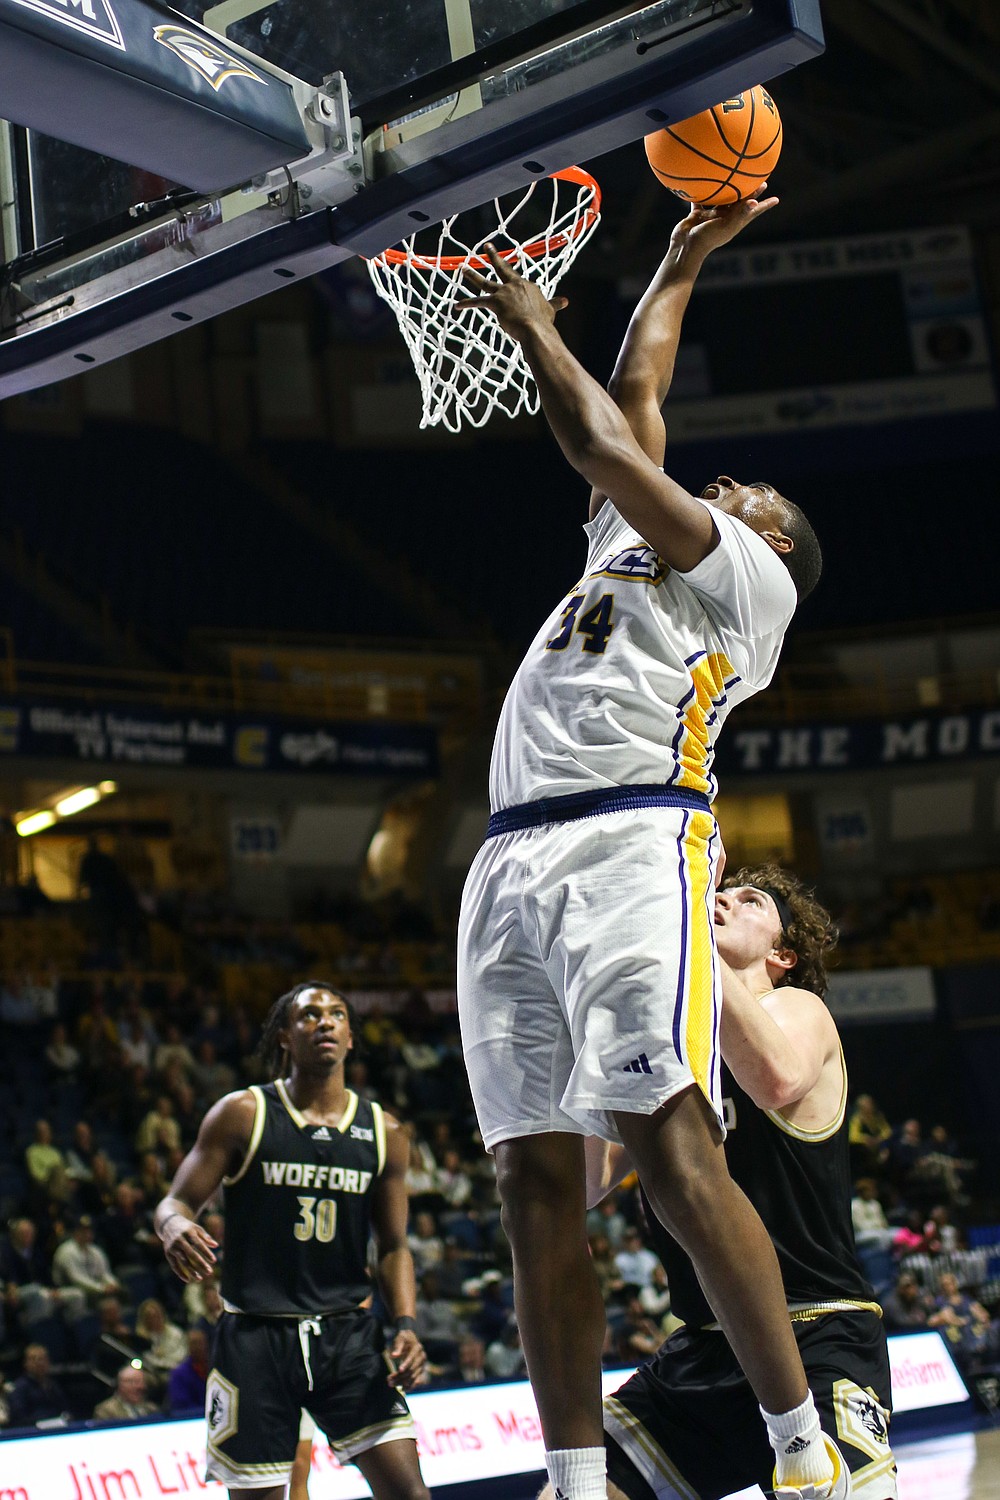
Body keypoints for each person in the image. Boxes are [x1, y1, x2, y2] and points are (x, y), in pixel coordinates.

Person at [456, 196, 832, 1500]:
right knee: (528, 1181)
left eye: (748, 492)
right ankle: (571, 1480)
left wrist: (527, 322)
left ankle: (802, 1446)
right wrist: (678, 261)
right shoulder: (637, 538)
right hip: (509, 854)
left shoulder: (751, 581)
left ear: (768, 538)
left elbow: (611, 447)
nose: (725, 485)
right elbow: (635, 394)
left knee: (668, 1146)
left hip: (633, 835)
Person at [541, 864, 896, 1500]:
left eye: (748, 899)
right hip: (705, 1348)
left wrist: (685, 936)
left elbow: (776, 1080)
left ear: (784, 953)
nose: (720, 900)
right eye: (714, 894)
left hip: (816, 1331)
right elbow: (588, 1183)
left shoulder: (798, 1009)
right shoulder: (667, 1048)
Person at [153, 979, 431, 1500]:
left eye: (336, 1014)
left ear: (350, 1036)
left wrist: (407, 1325)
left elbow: (394, 1246)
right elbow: (175, 1201)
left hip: (347, 1335)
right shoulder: (243, 1114)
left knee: (410, 1493)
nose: (324, 1021)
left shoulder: (385, 1132)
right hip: (256, 1337)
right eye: (308, 1015)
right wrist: (174, 1226)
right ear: (284, 1035)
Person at [6, 1343, 70, 1428]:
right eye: (34, 1359)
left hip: (56, 1429)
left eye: (43, 1359)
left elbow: (64, 1408)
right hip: (31, 1433)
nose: (39, 1363)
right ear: (26, 1363)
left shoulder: (53, 1385)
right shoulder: (19, 1388)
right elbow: (18, 1418)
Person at [93, 1364, 158, 1421]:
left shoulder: (152, 1409)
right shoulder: (106, 1410)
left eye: (142, 1382)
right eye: (134, 1382)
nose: (140, 1386)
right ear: (120, 1384)